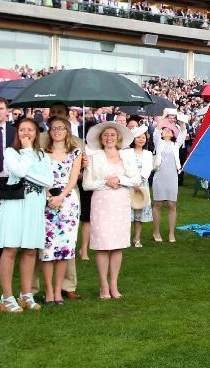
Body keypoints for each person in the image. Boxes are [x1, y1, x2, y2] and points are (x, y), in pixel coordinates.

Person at [0, 117, 52, 313]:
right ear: (17, 133)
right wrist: (26, 152)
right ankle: (7, 297)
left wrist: (27, 174)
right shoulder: (11, 152)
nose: (26, 133)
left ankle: (26, 294)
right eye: (22, 130)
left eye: (30, 130)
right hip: (15, 205)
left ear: (37, 133)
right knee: (10, 249)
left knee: (30, 250)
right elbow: (18, 170)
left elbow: (48, 181)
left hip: (35, 205)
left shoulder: (43, 155)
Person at [83, 122, 140, 299]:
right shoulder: (94, 158)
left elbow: (136, 179)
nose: (109, 138)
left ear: (118, 138)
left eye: (112, 135)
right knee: (102, 246)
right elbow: (86, 184)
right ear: (101, 138)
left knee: (117, 246)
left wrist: (120, 180)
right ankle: (103, 286)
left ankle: (114, 285)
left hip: (120, 203)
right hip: (101, 203)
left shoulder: (126, 157)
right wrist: (106, 182)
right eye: (106, 135)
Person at [39, 116, 82, 305]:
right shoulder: (42, 153)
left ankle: (58, 291)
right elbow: (39, 177)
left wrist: (61, 196)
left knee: (65, 249)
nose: (56, 131)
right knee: (48, 249)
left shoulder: (76, 152)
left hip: (68, 202)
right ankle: (48, 290)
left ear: (67, 131)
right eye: (53, 128)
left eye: (61, 128)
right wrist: (50, 196)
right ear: (49, 132)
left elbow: (73, 179)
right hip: (47, 200)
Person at [151, 118, 185, 243]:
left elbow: (183, 133)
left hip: (172, 177)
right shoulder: (158, 142)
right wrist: (164, 116)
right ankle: (156, 232)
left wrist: (181, 122)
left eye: (169, 130)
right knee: (158, 204)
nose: (167, 131)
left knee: (172, 204)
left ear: (172, 134)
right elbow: (156, 131)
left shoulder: (175, 145)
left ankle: (171, 233)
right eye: (164, 130)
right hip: (160, 176)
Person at [0, 96, 16, 247]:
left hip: (9, 184)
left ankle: (1, 254)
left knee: (5, 223)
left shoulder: (15, 132)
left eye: (1, 108)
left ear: (7, 111)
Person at [130, 127, 153, 247]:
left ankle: (137, 238)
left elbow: (147, 169)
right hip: (129, 184)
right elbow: (126, 168)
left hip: (142, 185)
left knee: (139, 212)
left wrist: (139, 182)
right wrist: (133, 182)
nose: (141, 139)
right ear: (133, 139)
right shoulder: (127, 153)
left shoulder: (148, 154)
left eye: (143, 137)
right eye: (138, 137)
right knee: (127, 213)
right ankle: (124, 238)